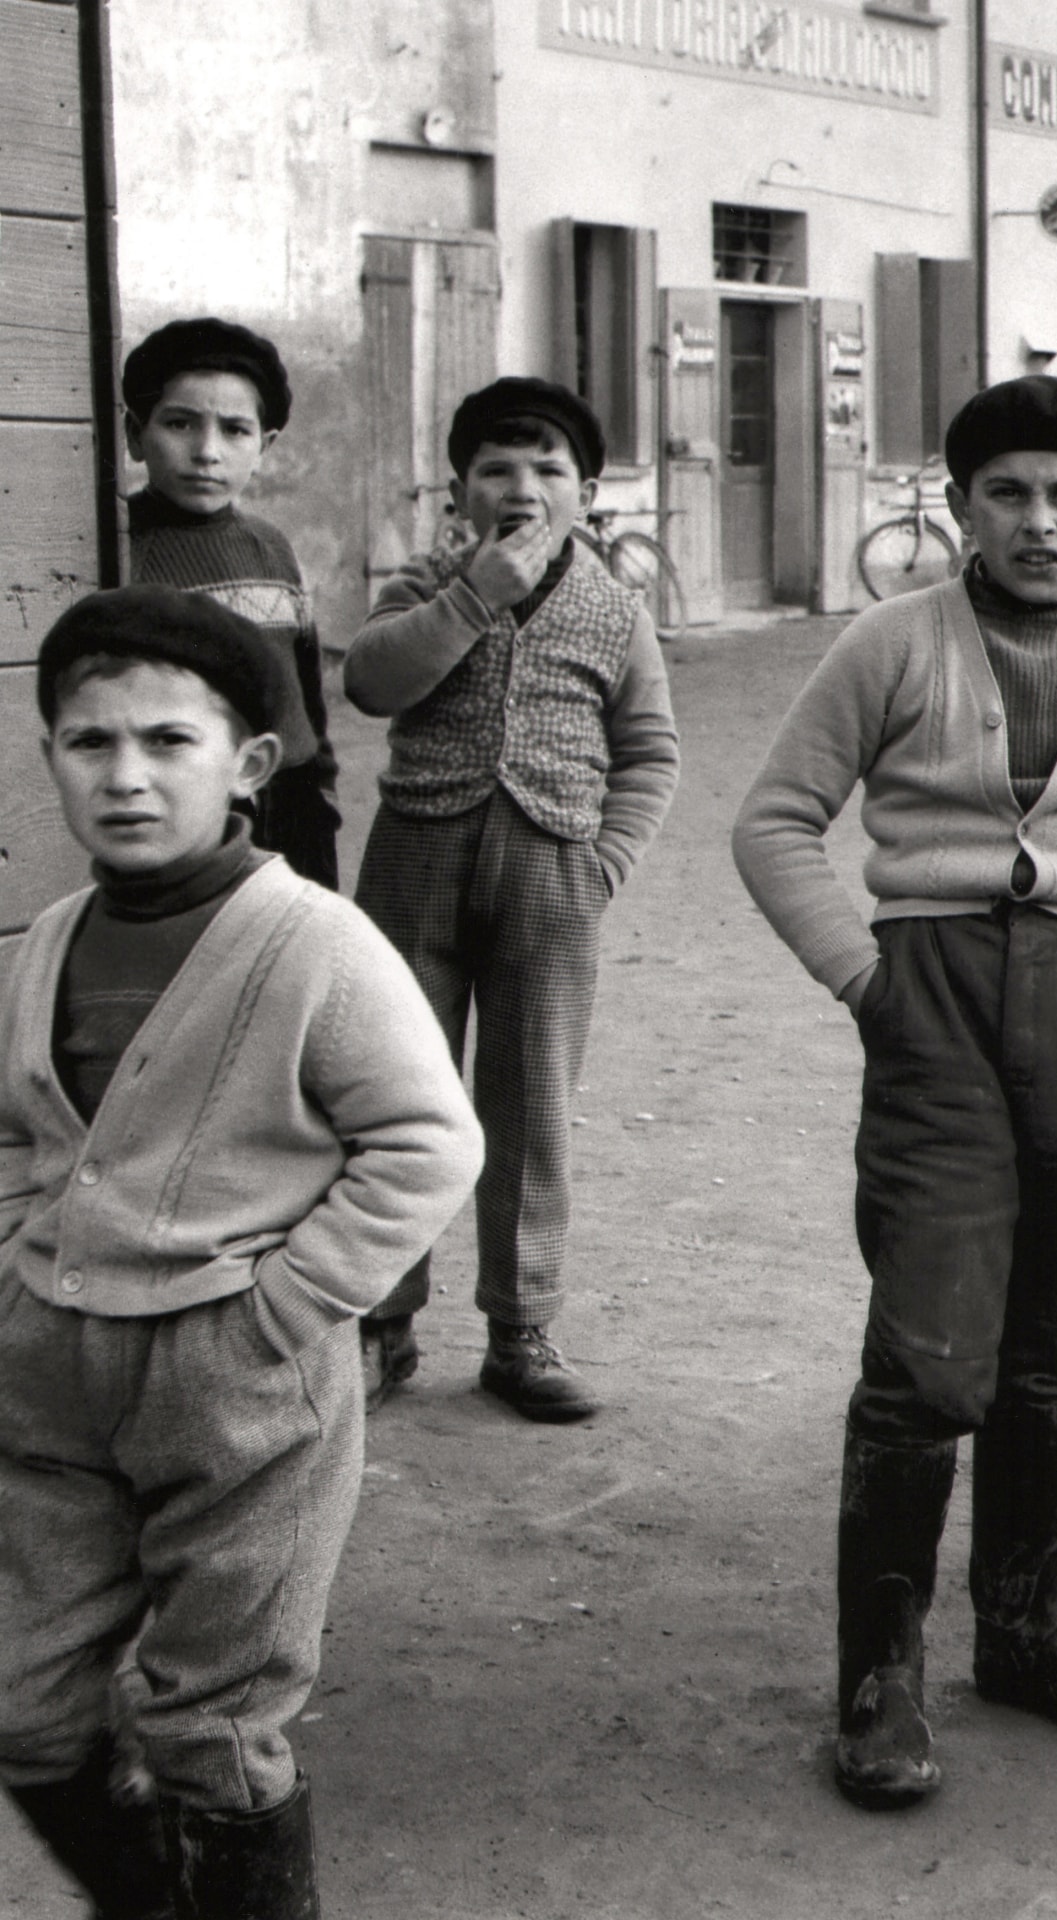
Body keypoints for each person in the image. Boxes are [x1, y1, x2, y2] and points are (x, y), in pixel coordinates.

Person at [734, 375, 1057, 1810]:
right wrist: (866, 979)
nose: (1037, 521)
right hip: (932, 1003)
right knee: (929, 1348)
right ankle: (879, 1681)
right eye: (1005, 493)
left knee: (1050, 1344)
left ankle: (1023, 1635)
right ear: (960, 507)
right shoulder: (892, 642)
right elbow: (773, 822)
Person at [0, 589, 479, 1918]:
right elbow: (17, 1128)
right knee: (25, 1705)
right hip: (48, 1380)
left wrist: (278, 1312)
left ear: (250, 764)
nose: (127, 776)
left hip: (241, 1393)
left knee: (211, 1727)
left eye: (169, 741)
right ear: (50, 759)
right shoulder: (46, 945)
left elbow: (427, 1141)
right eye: (91, 743)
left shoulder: (313, 942)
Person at [342, 378, 678, 1421]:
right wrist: (472, 597)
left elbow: (650, 753)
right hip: (413, 867)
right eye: (495, 469)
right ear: (459, 493)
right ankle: (381, 1322)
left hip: (551, 876)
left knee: (531, 1106)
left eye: (548, 470)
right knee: (394, 1095)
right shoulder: (421, 586)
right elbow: (370, 682)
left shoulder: (617, 612)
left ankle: (521, 1328)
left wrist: (602, 864)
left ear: (588, 494)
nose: (522, 488)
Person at [121, 318, 343, 889]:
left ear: (264, 447)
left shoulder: (272, 548)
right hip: (185, 810)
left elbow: (306, 692)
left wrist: (321, 797)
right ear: (135, 435)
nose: (207, 452)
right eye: (179, 423)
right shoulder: (120, 551)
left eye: (235, 430)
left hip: (292, 806)